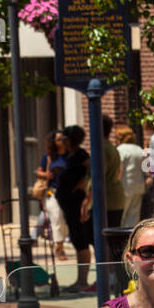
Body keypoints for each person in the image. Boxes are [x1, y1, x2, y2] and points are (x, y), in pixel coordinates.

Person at [56, 125, 93, 292]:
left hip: (77, 206)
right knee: (78, 241)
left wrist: (81, 187)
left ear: (71, 139)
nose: (62, 140)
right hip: (69, 205)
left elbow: (90, 173)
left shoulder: (81, 155)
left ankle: (83, 280)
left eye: (64, 137)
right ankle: (80, 279)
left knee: (81, 241)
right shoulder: (69, 156)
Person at [89, 114, 125, 239]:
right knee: (113, 240)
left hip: (106, 200)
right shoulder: (112, 147)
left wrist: (86, 202)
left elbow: (97, 177)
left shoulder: (101, 149)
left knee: (104, 241)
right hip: (116, 197)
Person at [34, 130, 67, 260]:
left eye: (63, 138)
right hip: (52, 192)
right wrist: (46, 175)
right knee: (57, 218)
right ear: (53, 142)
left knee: (64, 221)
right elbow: (39, 171)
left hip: (68, 193)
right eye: (59, 139)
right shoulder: (49, 156)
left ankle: (60, 243)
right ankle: (60, 247)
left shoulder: (70, 155)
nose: (62, 141)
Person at [115, 125, 145, 229]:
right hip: (139, 186)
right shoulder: (139, 149)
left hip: (124, 187)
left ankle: (122, 240)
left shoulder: (120, 150)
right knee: (134, 217)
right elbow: (147, 168)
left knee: (122, 216)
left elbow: (119, 169)